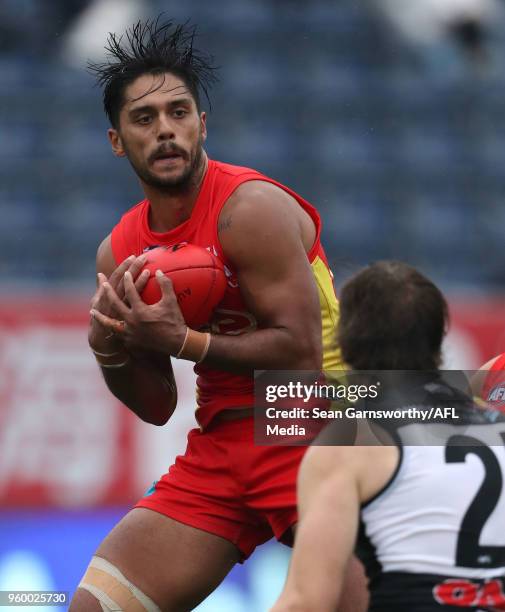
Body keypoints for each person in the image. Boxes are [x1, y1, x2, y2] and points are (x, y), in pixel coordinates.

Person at [69, 17, 356, 612]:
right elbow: (158, 407)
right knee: (95, 607)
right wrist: (111, 349)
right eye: (144, 119)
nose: (166, 130)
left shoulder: (248, 209)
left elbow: (300, 355)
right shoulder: (120, 251)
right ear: (117, 141)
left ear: (202, 124)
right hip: (222, 443)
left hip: (316, 428)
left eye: (179, 113)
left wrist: (185, 340)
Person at [272, 261, 505, 612]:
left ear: (343, 341)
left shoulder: (349, 443)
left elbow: (306, 602)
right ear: (440, 341)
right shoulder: (492, 419)